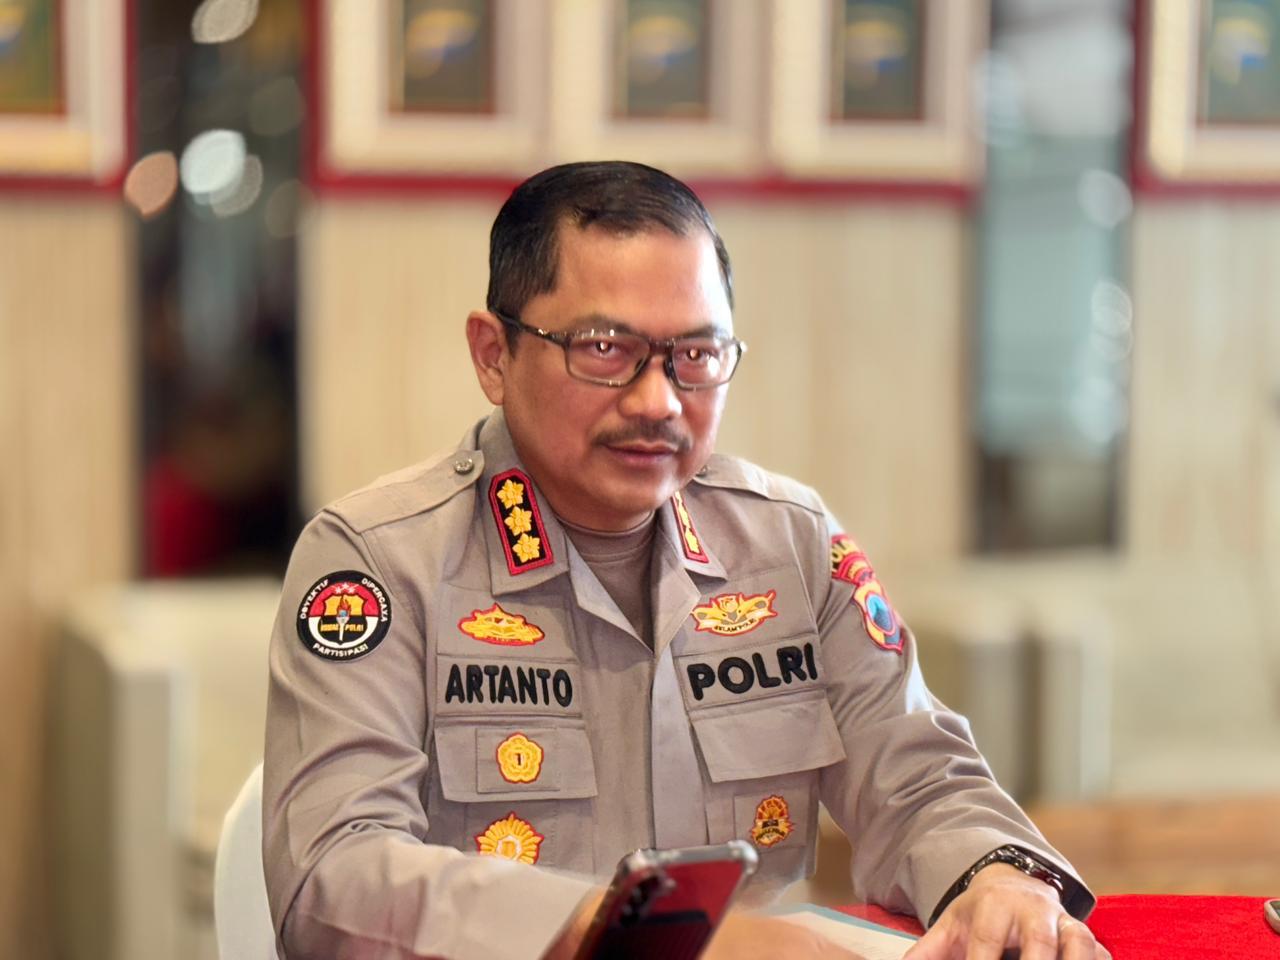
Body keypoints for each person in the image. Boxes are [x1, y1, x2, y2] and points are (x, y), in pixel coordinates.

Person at [262, 161, 1110, 960]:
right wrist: (646, 939)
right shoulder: (381, 560)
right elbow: (332, 878)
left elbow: (919, 777)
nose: (658, 400)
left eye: (696, 357)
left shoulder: (789, 542)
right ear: (494, 355)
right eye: (604, 349)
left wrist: (995, 875)